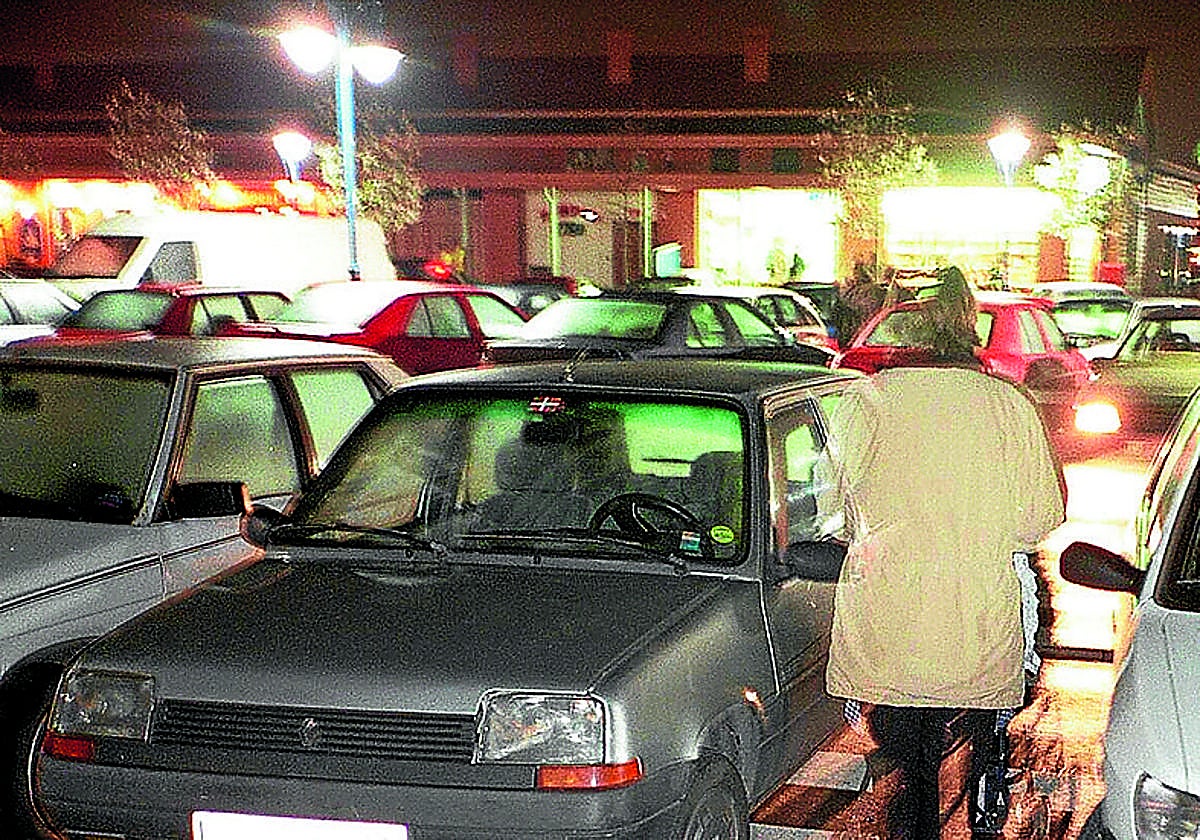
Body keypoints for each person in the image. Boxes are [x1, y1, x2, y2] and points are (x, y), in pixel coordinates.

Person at [822, 264, 1066, 840]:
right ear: (969, 332)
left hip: (888, 627)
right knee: (988, 717)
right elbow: (1039, 521)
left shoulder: (868, 401)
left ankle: (916, 811)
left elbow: (831, 506)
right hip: (974, 625)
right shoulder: (1009, 406)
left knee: (911, 759)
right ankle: (985, 790)